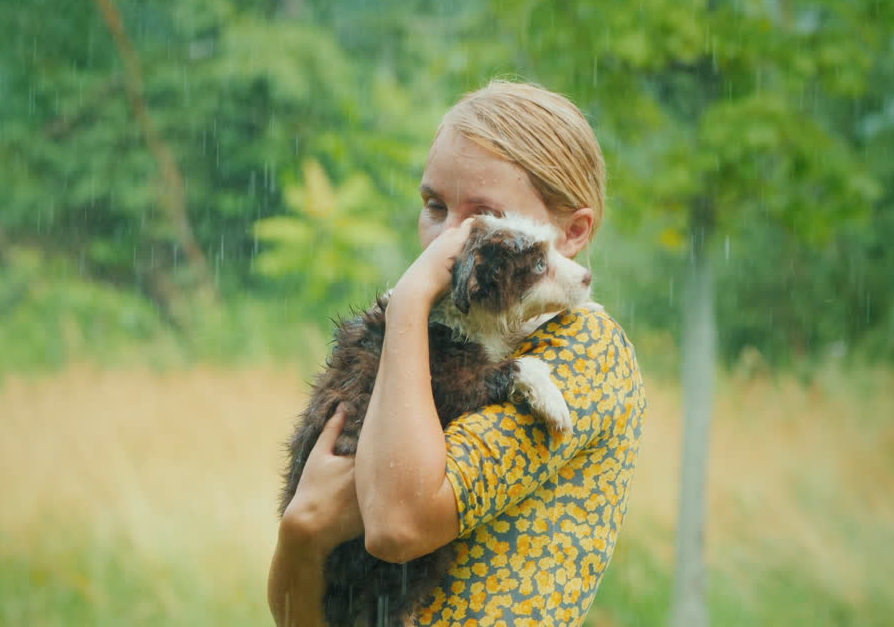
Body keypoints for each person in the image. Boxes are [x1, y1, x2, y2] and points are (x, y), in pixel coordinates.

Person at [268, 80, 646, 626]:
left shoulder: (587, 348)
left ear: (572, 232)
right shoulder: (420, 342)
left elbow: (397, 525)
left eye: (481, 217)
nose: (446, 242)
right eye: (434, 206)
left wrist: (410, 299)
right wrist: (302, 531)